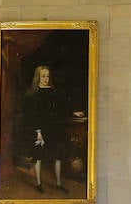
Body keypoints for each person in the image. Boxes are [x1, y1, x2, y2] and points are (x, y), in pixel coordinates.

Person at [20, 63, 84, 193]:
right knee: (38, 155)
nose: (46, 79)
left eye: (47, 76)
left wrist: (73, 112)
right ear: (38, 77)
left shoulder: (53, 92)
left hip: (54, 128)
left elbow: (61, 109)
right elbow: (33, 116)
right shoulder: (33, 94)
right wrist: (38, 133)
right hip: (39, 130)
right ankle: (39, 183)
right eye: (43, 76)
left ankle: (59, 184)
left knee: (58, 155)